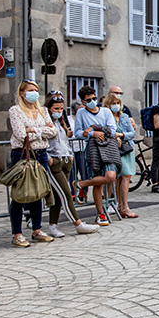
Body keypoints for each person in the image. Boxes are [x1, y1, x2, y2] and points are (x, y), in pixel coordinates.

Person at [7, 80, 57, 246]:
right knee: (20, 193)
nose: (34, 93)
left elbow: (53, 131)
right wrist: (41, 131)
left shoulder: (43, 110)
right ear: (22, 93)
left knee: (38, 191)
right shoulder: (15, 111)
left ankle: (37, 229)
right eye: (30, 90)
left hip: (41, 154)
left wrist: (32, 130)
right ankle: (17, 233)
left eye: (36, 90)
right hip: (23, 154)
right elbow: (21, 135)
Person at [44, 94, 100, 236]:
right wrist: (48, 158)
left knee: (58, 196)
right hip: (54, 161)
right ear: (49, 109)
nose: (59, 111)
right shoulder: (45, 123)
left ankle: (53, 226)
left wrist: (69, 154)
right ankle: (77, 223)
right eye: (56, 108)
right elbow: (42, 142)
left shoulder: (61, 122)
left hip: (65, 160)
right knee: (66, 193)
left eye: (61, 108)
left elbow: (65, 141)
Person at [73, 85, 118, 227]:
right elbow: (78, 132)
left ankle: (82, 184)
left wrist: (93, 128)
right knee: (97, 182)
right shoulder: (81, 113)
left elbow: (112, 129)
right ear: (83, 101)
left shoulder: (105, 111)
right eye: (88, 100)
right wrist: (92, 133)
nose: (92, 101)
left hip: (107, 146)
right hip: (92, 148)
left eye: (94, 98)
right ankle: (100, 213)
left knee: (110, 176)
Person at [105, 92, 138, 219]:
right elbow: (107, 132)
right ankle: (122, 206)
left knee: (126, 176)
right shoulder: (107, 117)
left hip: (126, 148)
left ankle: (123, 206)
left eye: (117, 103)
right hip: (115, 149)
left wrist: (121, 135)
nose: (116, 105)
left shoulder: (124, 116)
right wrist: (115, 137)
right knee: (120, 177)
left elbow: (132, 133)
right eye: (113, 103)